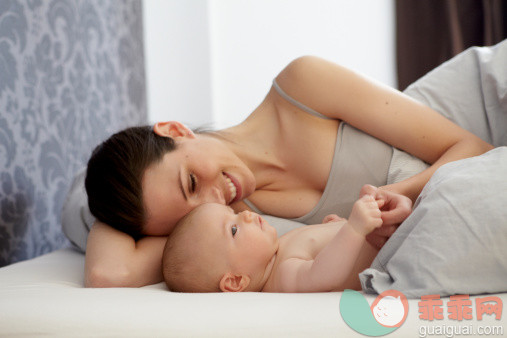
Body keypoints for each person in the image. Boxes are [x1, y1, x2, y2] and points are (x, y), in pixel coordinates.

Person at [66, 43, 507, 288]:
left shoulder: (302, 85)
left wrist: (399, 195)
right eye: (194, 209)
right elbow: (108, 273)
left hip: (483, 101)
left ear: (176, 130)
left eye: (191, 180)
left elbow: (470, 144)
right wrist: (110, 200)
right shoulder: (236, 235)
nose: (219, 198)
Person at [162, 186, 411, 293]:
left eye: (235, 213)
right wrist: (353, 229)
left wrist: (337, 226)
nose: (247, 214)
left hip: (390, 233)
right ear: (236, 281)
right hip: (398, 251)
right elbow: (324, 274)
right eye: (234, 229)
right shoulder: (283, 275)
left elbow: (317, 247)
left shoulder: (277, 250)